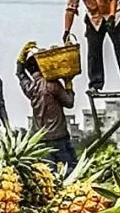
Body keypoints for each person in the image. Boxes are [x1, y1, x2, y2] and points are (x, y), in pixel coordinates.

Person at [15, 42, 77, 171]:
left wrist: (20, 60)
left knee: (49, 174)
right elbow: (69, 103)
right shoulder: (53, 84)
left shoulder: (30, 87)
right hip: (60, 136)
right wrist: (68, 84)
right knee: (71, 170)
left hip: (41, 138)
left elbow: (20, 75)